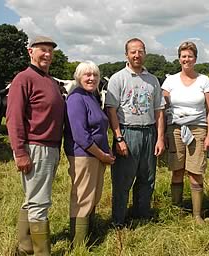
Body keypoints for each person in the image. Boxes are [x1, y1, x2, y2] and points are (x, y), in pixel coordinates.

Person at [6, 35, 64, 255]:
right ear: (30, 51)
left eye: (50, 50)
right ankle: (42, 252)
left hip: (50, 148)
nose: (47, 55)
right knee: (40, 202)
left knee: (32, 198)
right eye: (42, 50)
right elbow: (13, 118)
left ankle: (25, 246)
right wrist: (20, 152)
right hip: (36, 147)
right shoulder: (24, 78)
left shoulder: (49, 80)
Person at [105, 38, 165, 227]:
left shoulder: (152, 80)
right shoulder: (118, 78)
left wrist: (160, 138)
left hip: (149, 132)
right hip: (127, 131)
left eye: (140, 51)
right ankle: (119, 221)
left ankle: (141, 216)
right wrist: (119, 138)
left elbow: (159, 111)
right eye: (133, 52)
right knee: (123, 180)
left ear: (145, 53)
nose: (137, 55)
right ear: (126, 55)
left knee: (147, 178)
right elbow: (111, 110)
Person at [161, 41, 209, 224]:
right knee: (177, 170)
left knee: (195, 171)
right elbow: (162, 107)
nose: (186, 59)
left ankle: (197, 215)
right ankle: (176, 211)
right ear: (179, 59)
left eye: (190, 56)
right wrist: (162, 134)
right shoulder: (170, 81)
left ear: (195, 59)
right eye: (183, 56)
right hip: (175, 128)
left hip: (198, 129)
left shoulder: (204, 80)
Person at [64, 61, 115, 246]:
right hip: (83, 155)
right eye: (87, 75)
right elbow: (80, 135)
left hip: (96, 155)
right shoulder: (76, 98)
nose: (92, 78)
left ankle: (89, 236)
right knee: (83, 198)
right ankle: (78, 244)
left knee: (93, 196)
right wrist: (102, 155)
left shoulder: (91, 96)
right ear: (78, 77)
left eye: (95, 75)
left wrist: (104, 153)